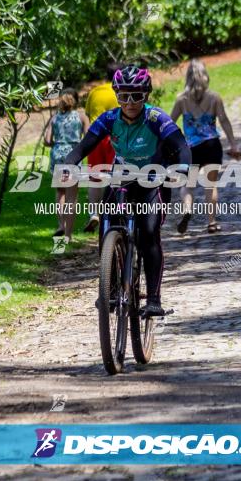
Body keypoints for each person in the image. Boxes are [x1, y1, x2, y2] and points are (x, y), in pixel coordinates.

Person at [62, 65, 191, 317]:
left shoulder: (156, 118)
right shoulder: (109, 119)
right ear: (117, 96)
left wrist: (183, 168)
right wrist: (69, 163)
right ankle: (109, 289)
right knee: (106, 222)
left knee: (150, 232)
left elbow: (180, 145)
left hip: (154, 179)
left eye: (137, 96)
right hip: (122, 176)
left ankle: (153, 299)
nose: (130, 102)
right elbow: (83, 147)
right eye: (123, 96)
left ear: (146, 95)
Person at [170, 59, 241, 234]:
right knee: (211, 185)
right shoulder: (214, 98)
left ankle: (187, 209)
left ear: (187, 78)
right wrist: (233, 144)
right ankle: (211, 222)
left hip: (192, 149)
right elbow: (224, 120)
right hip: (212, 145)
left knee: (188, 185)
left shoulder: (181, 99)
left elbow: (170, 123)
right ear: (206, 76)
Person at [44, 88, 89, 243]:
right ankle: (68, 236)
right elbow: (88, 137)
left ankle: (60, 224)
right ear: (76, 100)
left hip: (57, 156)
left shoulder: (54, 118)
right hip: (73, 156)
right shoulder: (81, 117)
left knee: (60, 193)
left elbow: (47, 140)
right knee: (71, 197)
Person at [82, 63, 121, 233]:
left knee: (95, 178)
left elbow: (88, 115)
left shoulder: (94, 92)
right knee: (117, 175)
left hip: (95, 136)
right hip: (114, 137)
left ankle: (94, 213)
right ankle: (118, 209)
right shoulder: (119, 93)